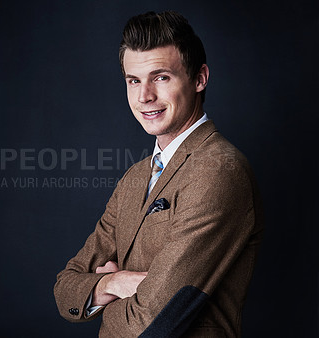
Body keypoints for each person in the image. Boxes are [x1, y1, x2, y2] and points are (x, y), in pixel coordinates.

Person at [54, 11, 264, 338]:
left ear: (199, 78)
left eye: (161, 77)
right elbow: (65, 291)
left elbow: (153, 323)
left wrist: (100, 297)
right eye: (133, 81)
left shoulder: (220, 169)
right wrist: (114, 281)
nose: (144, 97)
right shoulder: (135, 178)